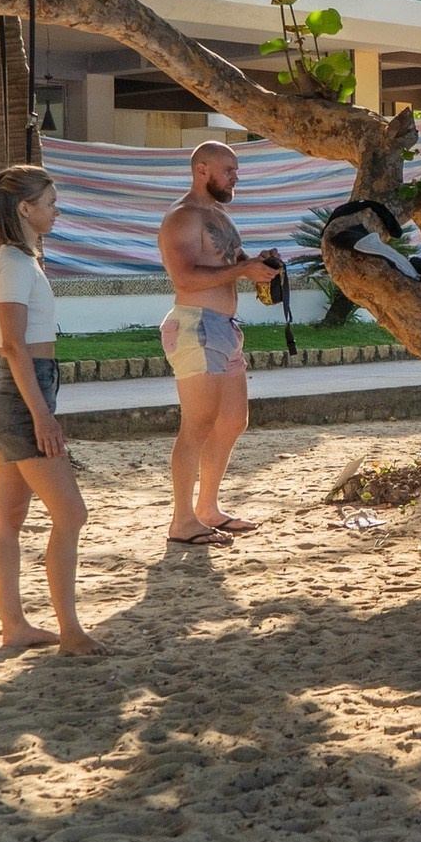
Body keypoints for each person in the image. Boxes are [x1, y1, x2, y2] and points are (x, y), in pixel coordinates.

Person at [0, 165, 104, 655]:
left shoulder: (15, 259)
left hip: (18, 392)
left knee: (8, 516)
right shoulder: (12, 262)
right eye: (50, 202)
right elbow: (13, 344)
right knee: (71, 514)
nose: (57, 210)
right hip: (20, 395)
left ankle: (15, 625)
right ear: (25, 208)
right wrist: (41, 415)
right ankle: (70, 630)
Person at [157, 141, 280, 549]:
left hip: (224, 327)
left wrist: (258, 263)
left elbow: (232, 261)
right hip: (196, 325)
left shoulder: (220, 215)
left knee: (231, 421)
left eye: (236, 170)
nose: (235, 178)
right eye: (229, 170)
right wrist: (242, 270)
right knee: (197, 424)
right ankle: (182, 521)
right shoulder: (182, 218)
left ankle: (208, 509)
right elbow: (185, 278)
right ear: (202, 170)